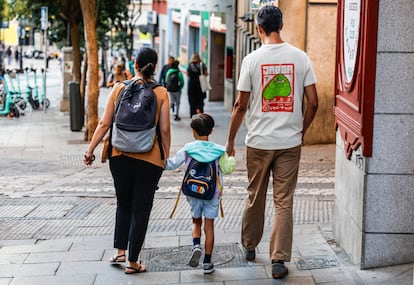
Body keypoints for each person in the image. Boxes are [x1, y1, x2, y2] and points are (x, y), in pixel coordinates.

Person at [225, 6, 318, 279]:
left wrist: (230, 140)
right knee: (283, 201)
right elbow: (313, 101)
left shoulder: (251, 60)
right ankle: (279, 259)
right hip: (290, 142)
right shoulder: (300, 58)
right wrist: (301, 130)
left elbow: (240, 105)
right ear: (282, 25)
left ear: (259, 29)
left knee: (255, 195)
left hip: (258, 142)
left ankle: (250, 245)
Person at [83, 47, 171, 275]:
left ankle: (121, 251)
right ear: (155, 65)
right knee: (141, 208)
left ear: (135, 64)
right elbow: (164, 130)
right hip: (149, 159)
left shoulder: (119, 88)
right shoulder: (161, 93)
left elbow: (104, 124)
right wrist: (164, 157)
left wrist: (90, 150)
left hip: (119, 155)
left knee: (123, 203)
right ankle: (133, 262)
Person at [166, 113, 235, 274]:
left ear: (192, 131)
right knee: (209, 226)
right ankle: (207, 262)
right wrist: (231, 157)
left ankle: (196, 245)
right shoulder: (219, 151)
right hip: (212, 194)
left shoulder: (188, 149)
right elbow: (227, 169)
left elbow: (171, 164)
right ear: (211, 131)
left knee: (196, 222)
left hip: (192, 192)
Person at [187, 53, 208, 117]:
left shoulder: (190, 65)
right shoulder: (202, 65)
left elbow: (188, 74)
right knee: (200, 100)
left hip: (192, 85)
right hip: (200, 85)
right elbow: (206, 74)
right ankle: (200, 112)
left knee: (192, 100)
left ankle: (193, 115)